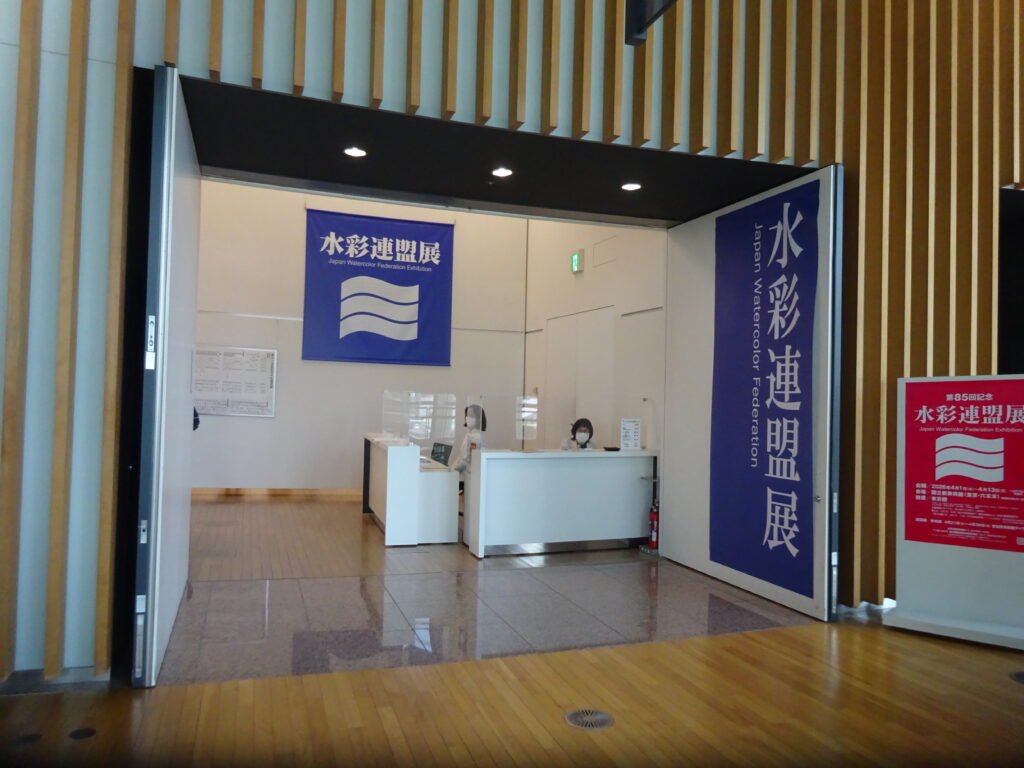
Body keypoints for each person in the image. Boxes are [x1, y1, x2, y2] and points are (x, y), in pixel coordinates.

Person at [450, 404, 486, 474]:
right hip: (464, 473)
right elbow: (461, 457)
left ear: (478, 418)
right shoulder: (469, 435)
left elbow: (466, 461)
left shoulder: (476, 437)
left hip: (469, 475)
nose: (467, 418)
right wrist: (452, 468)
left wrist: (452, 470)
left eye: (471, 416)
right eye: (467, 415)